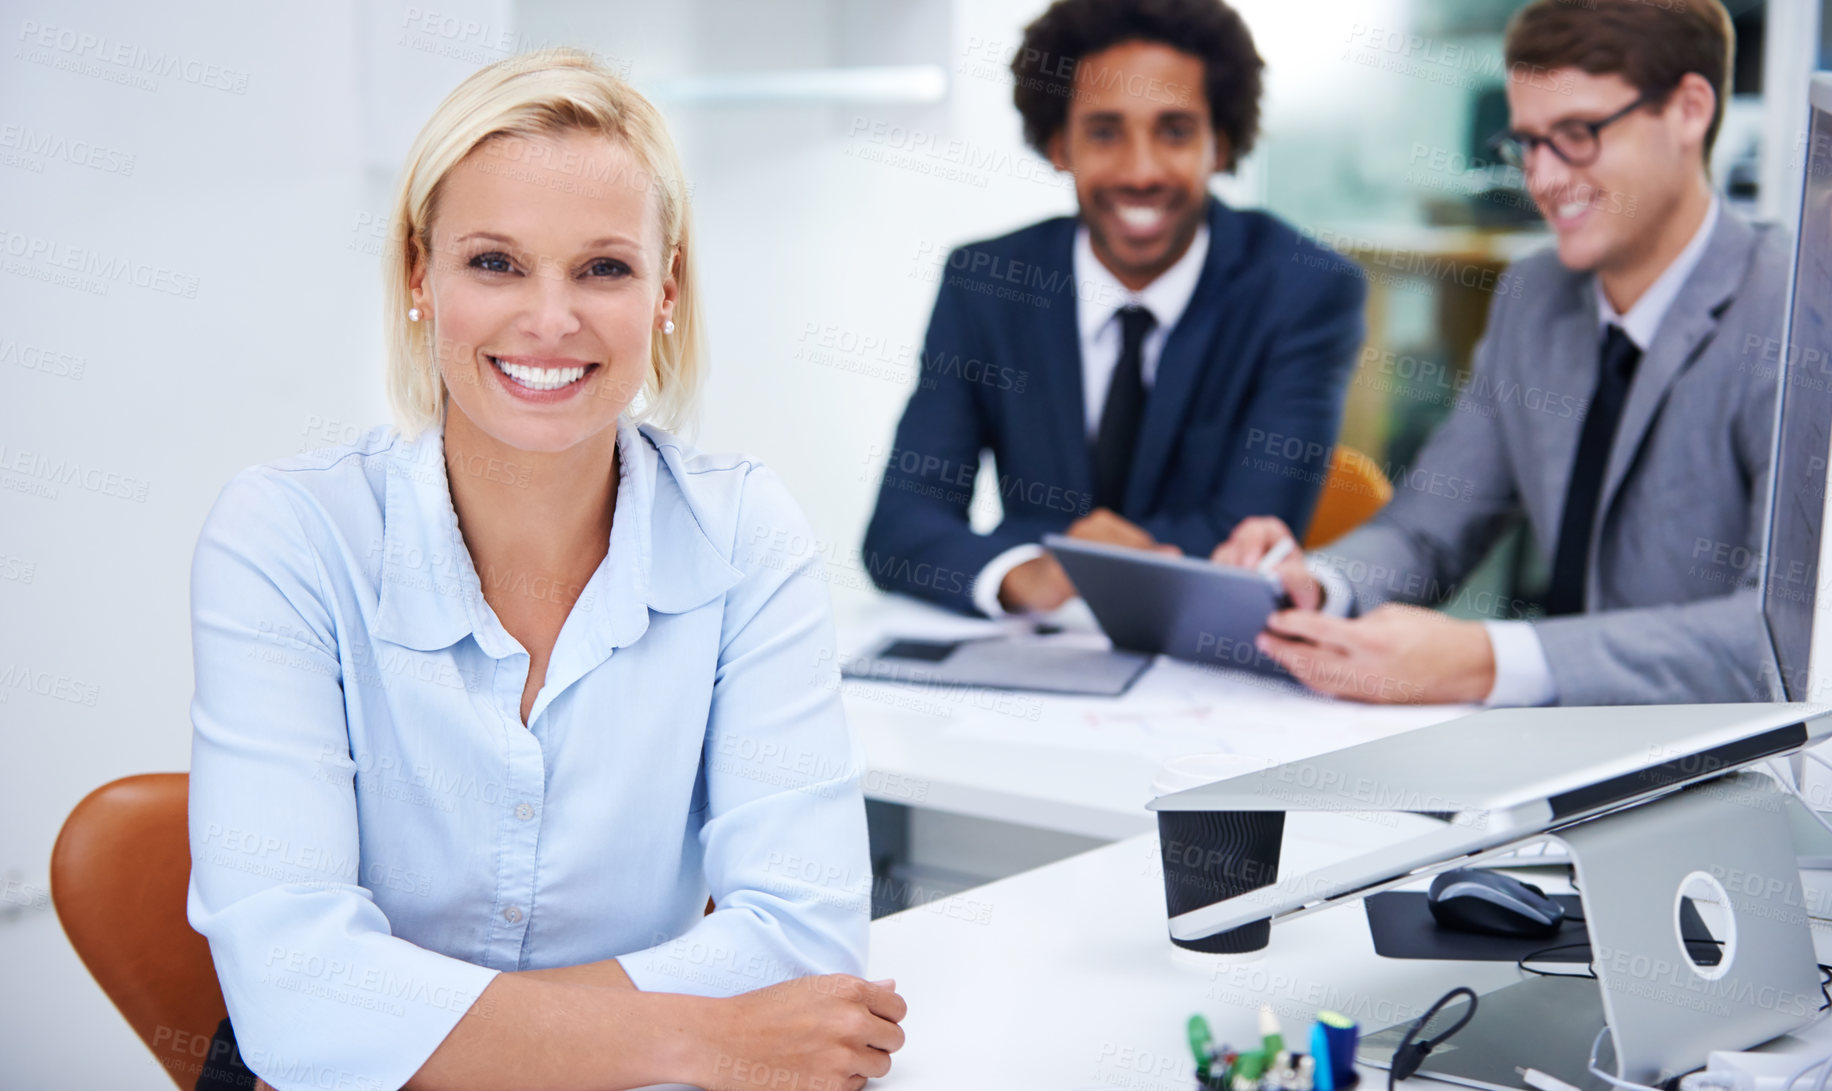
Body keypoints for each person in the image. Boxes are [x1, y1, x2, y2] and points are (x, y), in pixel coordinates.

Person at [185, 49, 905, 1091]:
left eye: (603, 267)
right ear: (417, 276)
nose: (551, 318)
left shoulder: (743, 529)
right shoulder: (287, 537)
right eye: (495, 262)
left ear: (667, 288)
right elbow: (292, 992)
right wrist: (700, 1034)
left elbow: (802, 938)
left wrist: (383, 1025)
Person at [1213, 0, 1786, 706]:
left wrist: (1491, 658)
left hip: (1725, 768)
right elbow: (1426, 529)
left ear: (1689, 109)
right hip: (1556, 756)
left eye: (1576, 134)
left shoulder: (1792, 311)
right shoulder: (1534, 295)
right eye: (1527, 144)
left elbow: (1776, 635)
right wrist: (1321, 584)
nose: (1541, 180)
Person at [861, 0, 1366, 616]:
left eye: (1175, 130)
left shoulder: (1303, 290)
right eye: (1104, 131)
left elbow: (1251, 533)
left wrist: (1082, 565)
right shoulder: (987, 283)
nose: (1141, 170)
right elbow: (900, 528)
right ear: (1058, 144)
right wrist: (1024, 576)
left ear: (1222, 145)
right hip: (1033, 653)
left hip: (1206, 652)